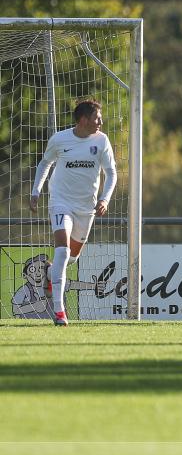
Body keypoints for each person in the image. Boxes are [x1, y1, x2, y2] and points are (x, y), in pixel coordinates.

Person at [29, 99, 117, 326]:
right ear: (84, 120)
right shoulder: (60, 139)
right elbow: (45, 163)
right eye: (97, 118)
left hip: (86, 208)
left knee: (72, 257)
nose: (101, 122)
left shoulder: (102, 141)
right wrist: (36, 191)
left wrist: (104, 199)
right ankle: (59, 312)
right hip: (61, 202)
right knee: (62, 250)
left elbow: (111, 173)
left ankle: (50, 274)